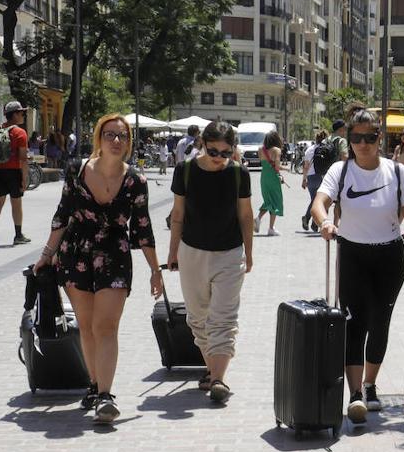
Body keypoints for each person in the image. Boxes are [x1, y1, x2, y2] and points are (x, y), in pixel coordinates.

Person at [31, 114, 161, 423]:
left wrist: (156, 271)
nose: (117, 141)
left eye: (123, 136)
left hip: (114, 255)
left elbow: (142, 229)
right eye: (110, 135)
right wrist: (47, 253)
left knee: (106, 326)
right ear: (98, 138)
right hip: (75, 252)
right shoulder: (76, 170)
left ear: (129, 143)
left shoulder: (136, 182)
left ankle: (105, 395)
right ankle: (93, 383)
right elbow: (62, 214)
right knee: (87, 326)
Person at [310, 108, 404, 424]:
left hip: (389, 257)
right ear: (349, 139)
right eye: (356, 137)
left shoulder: (396, 171)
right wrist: (324, 222)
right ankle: (355, 395)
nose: (363, 144)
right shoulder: (341, 170)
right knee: (354, 323)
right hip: (352, 255)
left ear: (380, 138)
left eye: (370, 137)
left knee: (380, 322)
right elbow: (319, 203)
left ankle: (371, 383)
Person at [167, 121, 254, 404]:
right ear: (202, 144)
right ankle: (212, 368)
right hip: (191, 251)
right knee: (197, 318)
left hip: (229, 253)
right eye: (213, 150)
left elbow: (246, 215)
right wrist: (172, 252)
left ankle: (218, 379)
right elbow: (177, 214)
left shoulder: (239, 174)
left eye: (225, 152)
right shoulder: (186, 170)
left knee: (224, 318)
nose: (218, 157)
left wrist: (250, 253)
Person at [0, 100, 31, 248]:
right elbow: (23, 158)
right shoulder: (19, 132)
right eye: (22, 112)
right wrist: (24, 178)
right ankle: (18, 235)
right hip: (13, 171)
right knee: (16, 203)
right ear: (15, 114)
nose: (23, 115)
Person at [255, 130, 285, 236]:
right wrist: (285, 169)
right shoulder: (276, 150)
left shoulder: (260, 150)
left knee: (268, 200)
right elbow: (276, 167)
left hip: (264, 177)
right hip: (273, 178)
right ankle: (271, 228)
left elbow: (265, 164)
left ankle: (258, 218)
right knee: (275, 201)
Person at [300, 129, 329, 231]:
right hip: (322, 176)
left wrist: (304, 179)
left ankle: (310, 220)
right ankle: (312, 221)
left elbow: (306, 166)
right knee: (321, 201)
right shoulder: (327, 149)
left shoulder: (309, 149)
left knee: (314, 200)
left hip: (311, 177)